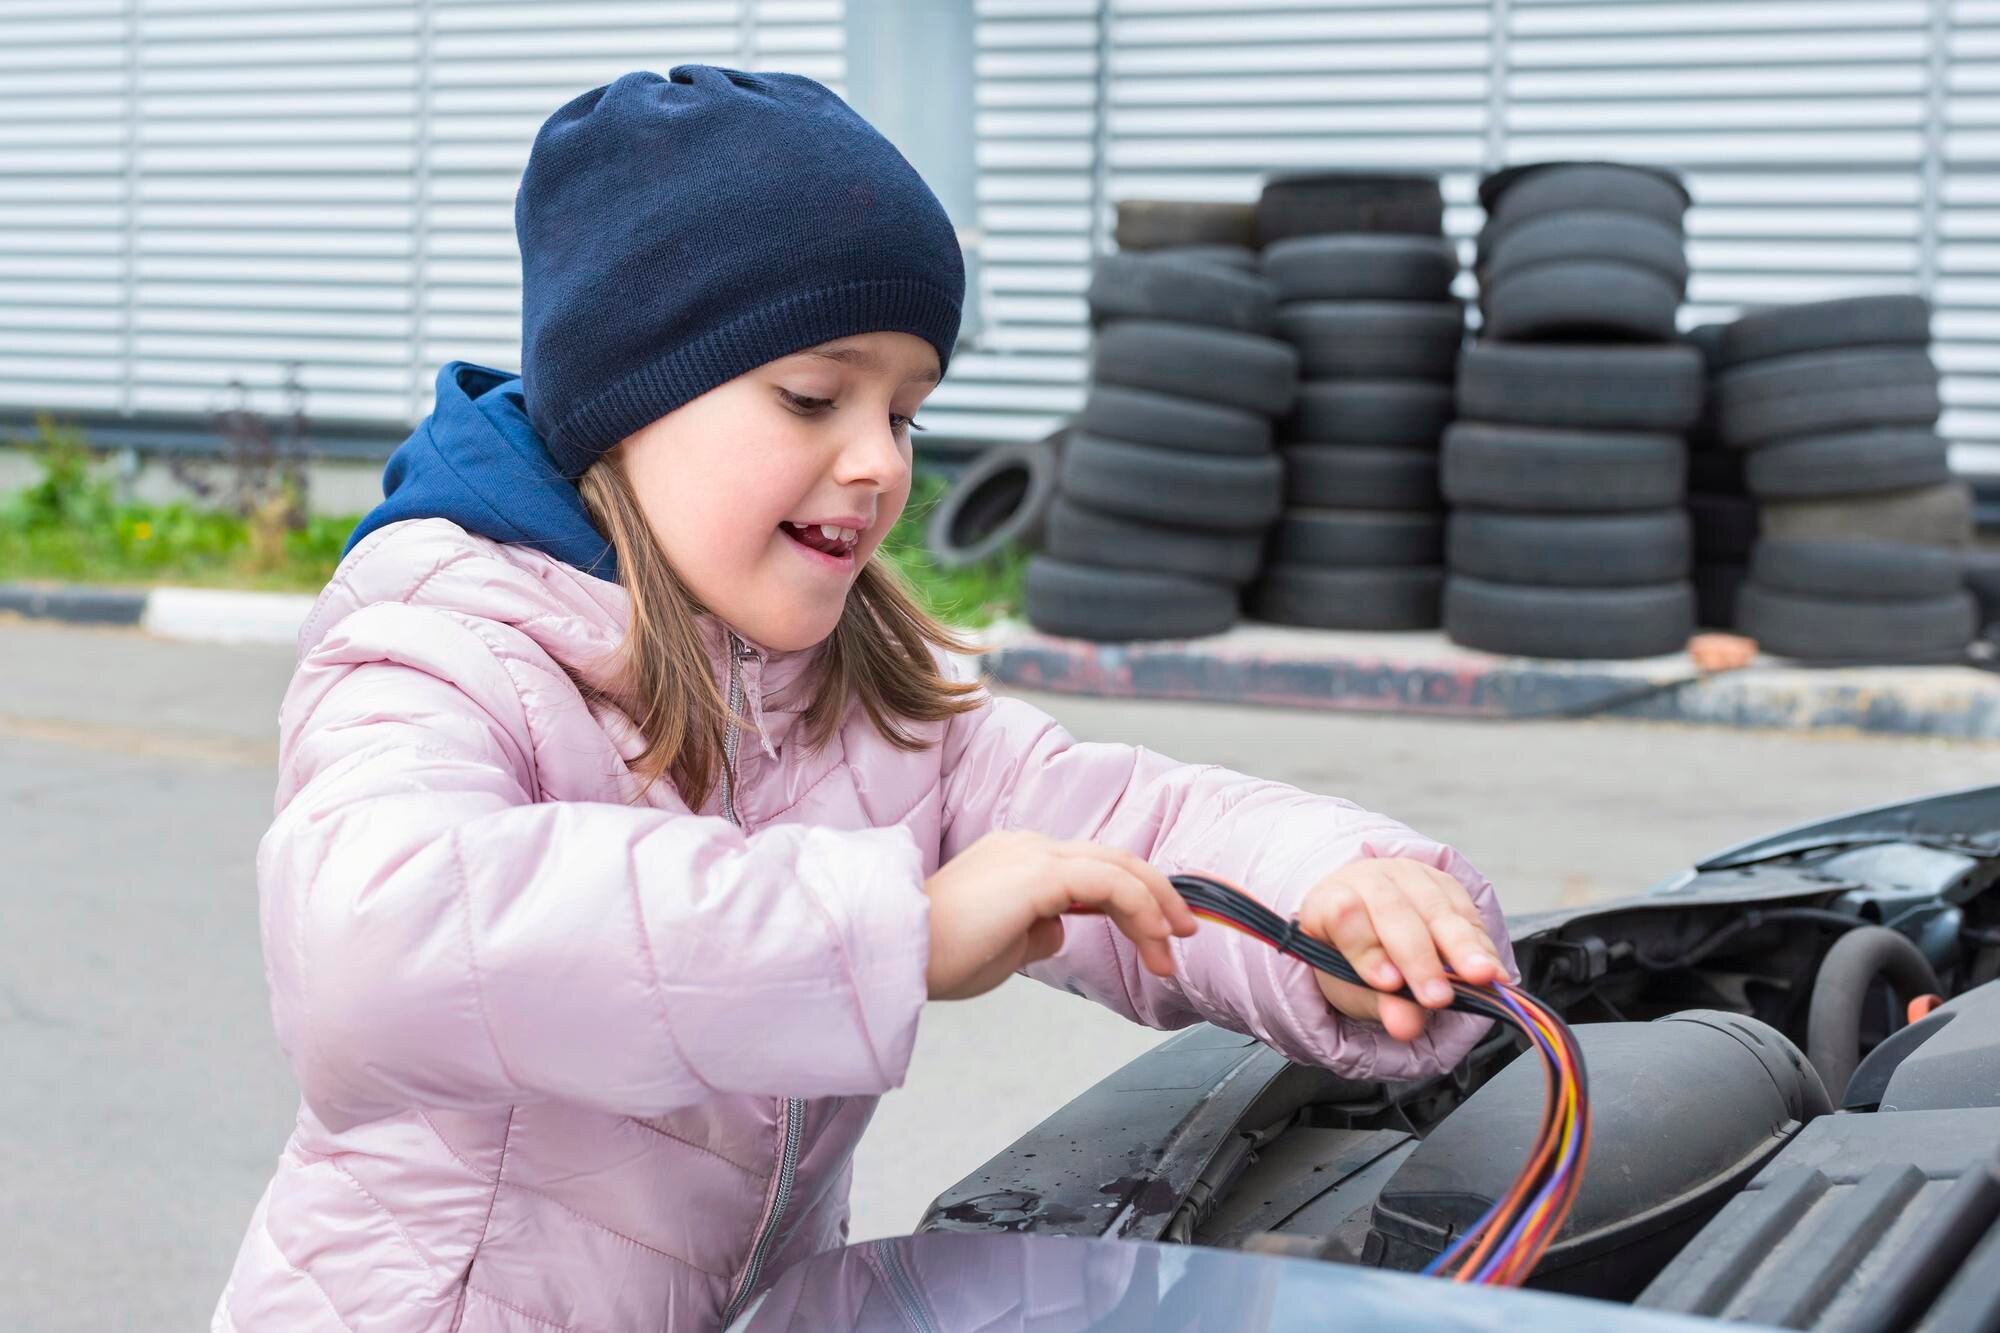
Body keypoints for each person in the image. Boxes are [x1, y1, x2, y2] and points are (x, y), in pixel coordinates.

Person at [213, 67, 1514, 1332]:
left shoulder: (850, 688)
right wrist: (890, 930)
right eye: (813, 397)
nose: (877, 462)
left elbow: (1113, 822)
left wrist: (1341, 892)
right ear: (624, 401)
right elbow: (369, 951)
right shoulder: (446, 642)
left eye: (906, 413)